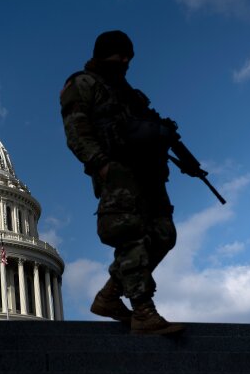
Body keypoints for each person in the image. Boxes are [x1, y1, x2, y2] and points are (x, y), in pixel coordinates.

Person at [59, 30, 185, 336]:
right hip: (118, 172)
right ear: (105, 53)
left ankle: (109, 296)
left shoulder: (131, 94)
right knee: (132, 237)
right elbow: (76, 130)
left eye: (129, 56)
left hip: (148, 174)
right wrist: (100, 165)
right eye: (120, 55)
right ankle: (143, 311)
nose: (126, 61)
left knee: (164, 235)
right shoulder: (82, 84)